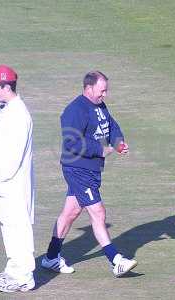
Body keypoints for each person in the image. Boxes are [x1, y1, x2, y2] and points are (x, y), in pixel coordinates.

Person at [41, 71, 137, 277]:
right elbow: (71, 142)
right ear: (89, 87)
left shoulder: (99, 106)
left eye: (106, 91)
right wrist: (101, 150)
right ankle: (116, 261)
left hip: (91, 170)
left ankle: (51, 257)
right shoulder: (75, 110)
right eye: (102, 91)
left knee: (70, 213)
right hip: (78, 169)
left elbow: (109, 126)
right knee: (98, 212)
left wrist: (118, 142)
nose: (105, 95)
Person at [0, 65, 35, 292]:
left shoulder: (19, 114)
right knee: (7, 226)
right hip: (3, 184)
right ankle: (13, 269)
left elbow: (13, 155)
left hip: (13, 184)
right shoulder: (8, 109)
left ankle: (24, 276)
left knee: (19, 227)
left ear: (6, 87)